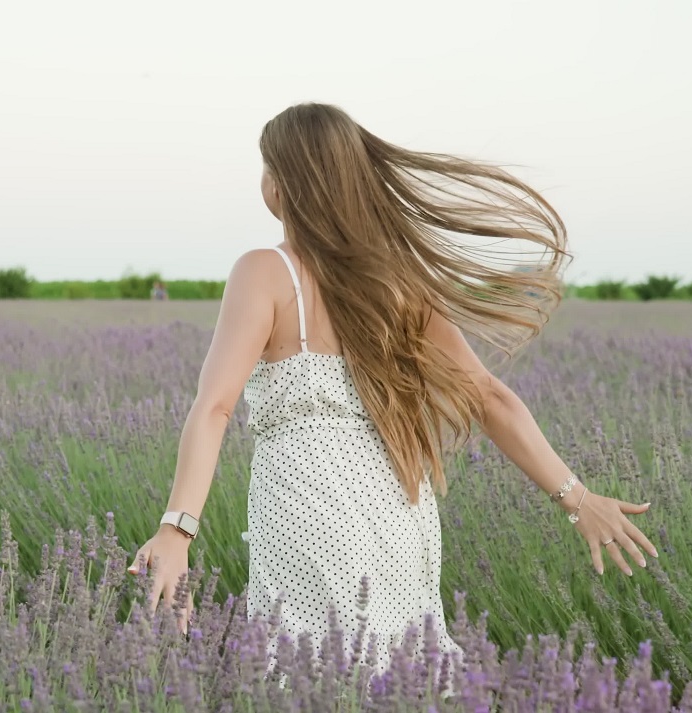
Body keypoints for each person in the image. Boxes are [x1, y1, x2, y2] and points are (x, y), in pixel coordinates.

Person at [127, 103, 657, 684]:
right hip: (399, 510)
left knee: (309, 671)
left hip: (306, 504)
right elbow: (488, 396)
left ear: (283, 183)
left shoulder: (264, 271)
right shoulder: (397, 280)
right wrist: (578, 498)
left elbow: (215, 407)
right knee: (402, 670)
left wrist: (177, 531)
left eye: (266, 168)